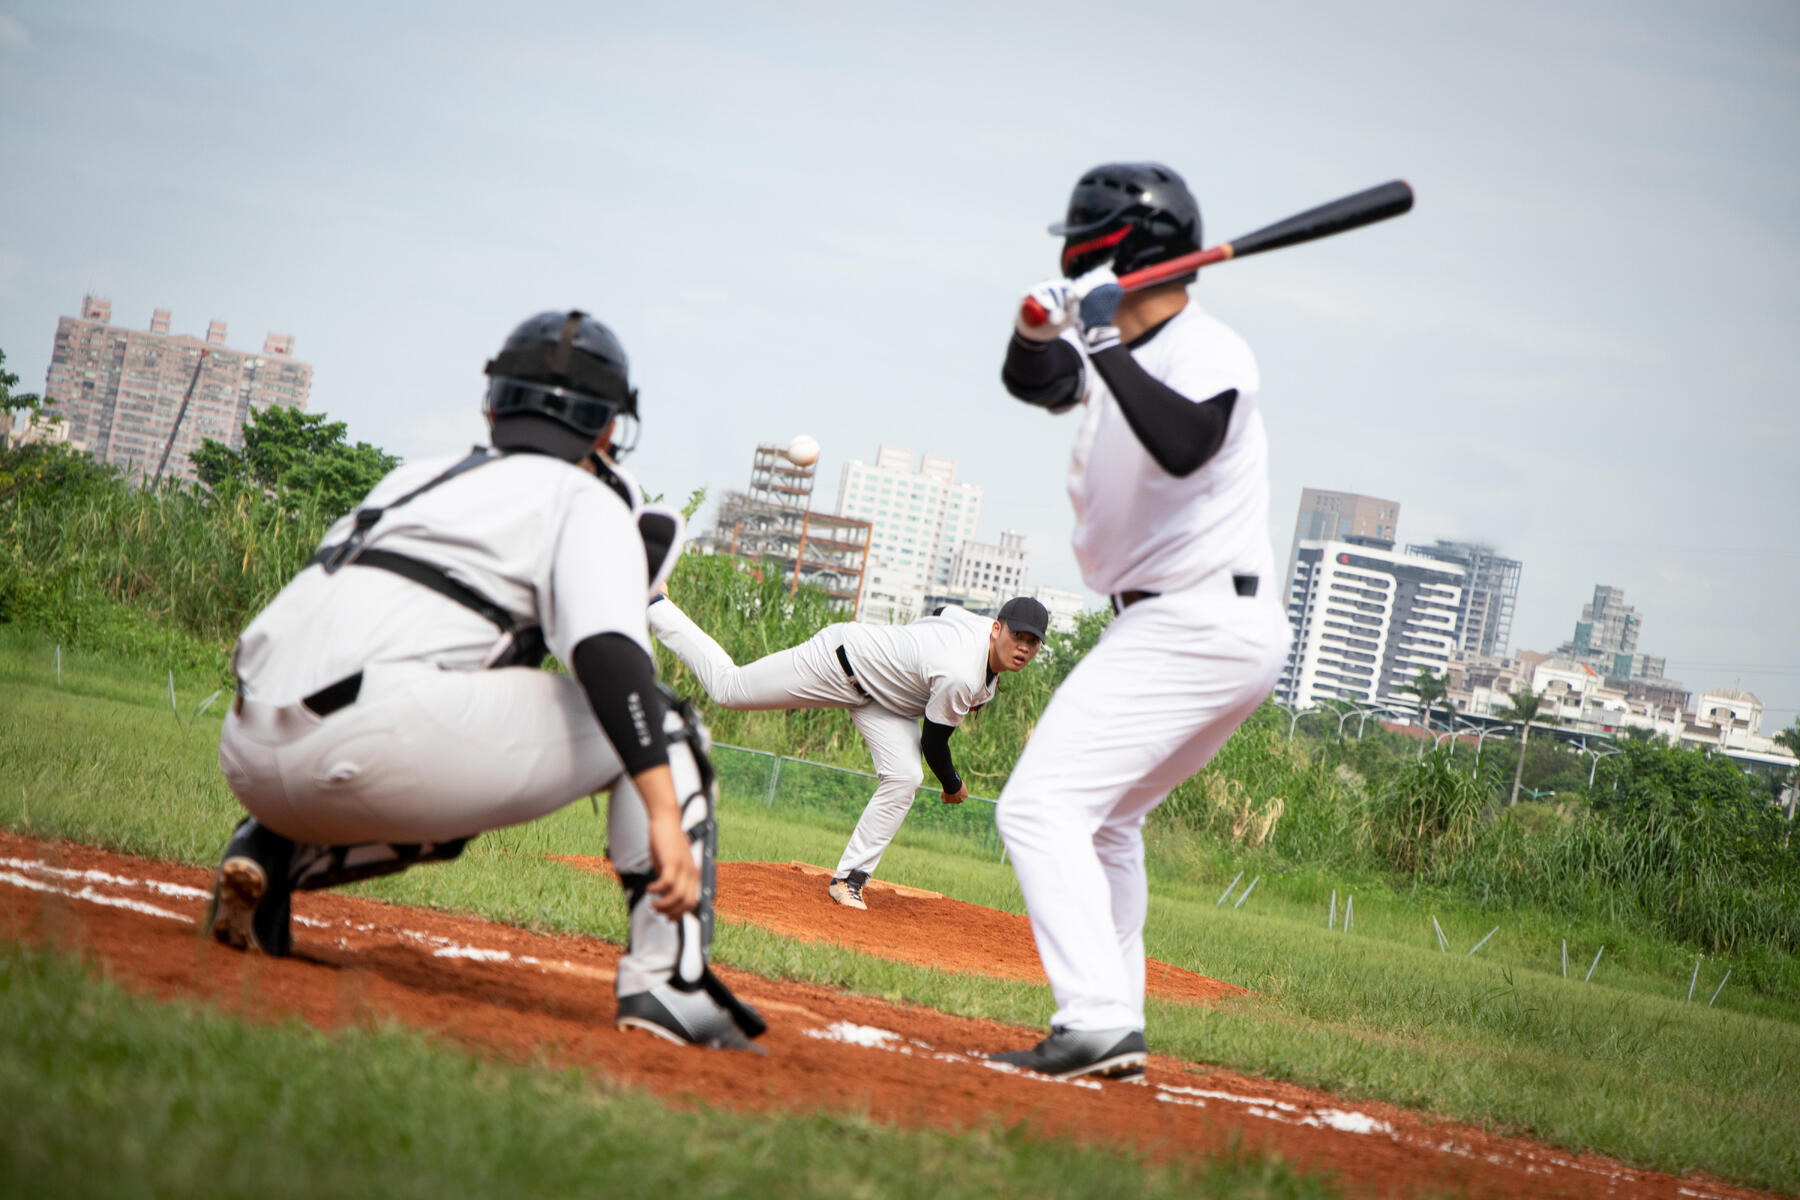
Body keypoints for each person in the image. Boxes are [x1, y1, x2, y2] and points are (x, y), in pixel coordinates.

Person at [202, 310, 766, 1052]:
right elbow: (606, 654)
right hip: (376, 744)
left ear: (494, 404)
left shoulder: (417, 477)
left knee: (444, 745)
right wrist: (663, 810)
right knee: (667, 726)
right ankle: (670, 982)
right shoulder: (583, 497)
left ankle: (270, 853)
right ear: (608, 430)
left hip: (248, 746)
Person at [986, 163, 1291, 1081]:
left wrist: (1100, 339)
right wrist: (1035, 328)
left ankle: (1094, 1019)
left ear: (1113, 249)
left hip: (1197, 620)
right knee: (1106, 824)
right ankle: (1112, 1019)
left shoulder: (1208, 349)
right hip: (1177, 623)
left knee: (1038, 807)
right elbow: (1034, 384)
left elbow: (1188, 445)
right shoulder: (1120, 343)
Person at [647, 592, 1048, 909]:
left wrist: (908, 652)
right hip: (838, 663)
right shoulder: (962, 672)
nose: (1024, 648)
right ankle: (655, 606)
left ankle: (849, 880)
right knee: (729, 690)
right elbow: (933, 742)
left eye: (1033, 642)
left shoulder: (976, 632)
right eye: (1018, 636)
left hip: (885, 699)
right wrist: (953, 784)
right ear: (997, 628)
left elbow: (944, 611)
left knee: (905, 777)